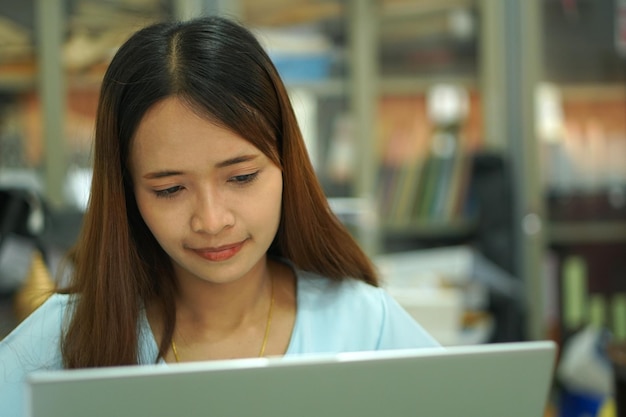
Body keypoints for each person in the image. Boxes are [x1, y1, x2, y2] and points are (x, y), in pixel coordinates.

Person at [0, 15, 439, 416]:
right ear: (127, 193)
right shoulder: (59, 342)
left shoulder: (363, 324)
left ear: (287, 165)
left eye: (242, 177)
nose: (211, 221)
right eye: (170, 189)